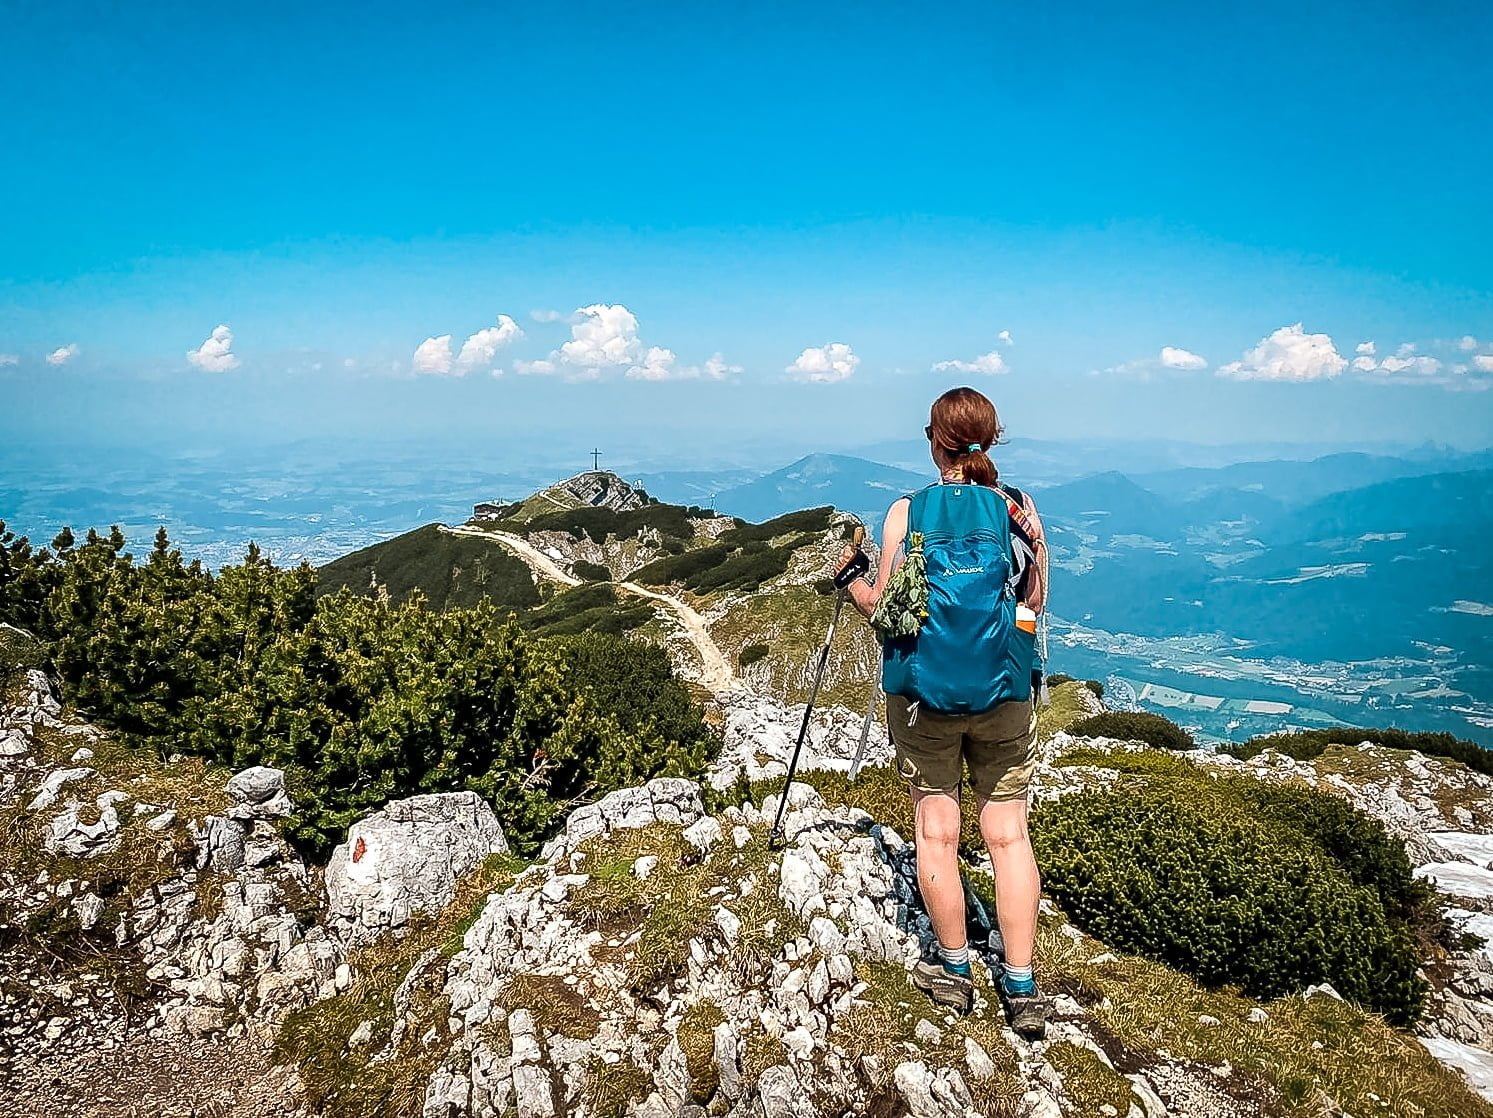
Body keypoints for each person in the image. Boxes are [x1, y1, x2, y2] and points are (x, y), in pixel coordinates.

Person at [836, 385, 1050, 1038]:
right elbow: (1033, 603)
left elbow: (892, 615)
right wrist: (996, 646)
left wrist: (851, 581)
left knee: (936, 832)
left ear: (934, 439)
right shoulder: (1018, 509)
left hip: (923, 698)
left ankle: (954, 975)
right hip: (1003, 694)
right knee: (1008, 838)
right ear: (993, 438)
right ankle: (1019, 988)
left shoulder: (907, 512)